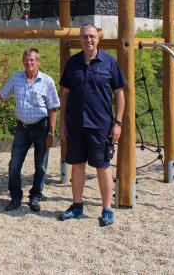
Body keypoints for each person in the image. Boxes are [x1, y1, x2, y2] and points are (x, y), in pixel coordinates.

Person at [0, 48, 60, 213]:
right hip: (23, 128)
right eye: (26, 59)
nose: (29, 62)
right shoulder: (17, 78)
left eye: (32, 60)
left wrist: (51, 133)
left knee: (41, 166)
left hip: (41, 127)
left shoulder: (47, 81)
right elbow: (2, 94)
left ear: (38, 62)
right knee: (14, 164)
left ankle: (35, 197)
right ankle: (16, 198)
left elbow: (53, 108)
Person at [58, 24, 126, 227]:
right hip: (76, 125)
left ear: (98, 39)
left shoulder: (109, 63)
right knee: (77, 166)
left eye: (92, 37)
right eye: (85, 37)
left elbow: (119, 94)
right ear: (80, 39)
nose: (89, 40)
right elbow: (65, 94)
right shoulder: (73, 63)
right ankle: (77, 206)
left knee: (102, 167)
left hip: (101, 125)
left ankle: (107, 209)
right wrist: (63, 122)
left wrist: (118, 123)